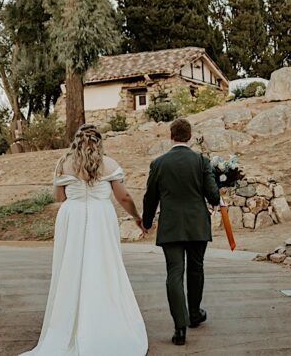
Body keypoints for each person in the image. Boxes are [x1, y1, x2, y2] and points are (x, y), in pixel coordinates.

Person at [21, 125, 148, 356]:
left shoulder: (63, 163)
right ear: (99, 142)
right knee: (104, 267)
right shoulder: (108, 164)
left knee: (72, 267)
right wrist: (136, 217)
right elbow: (124, 196)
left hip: (73, 216)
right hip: (101, 216)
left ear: (76, 141)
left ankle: (69, 323)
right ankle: (104, 322)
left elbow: (59, 197)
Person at [142, 118, 221, 346]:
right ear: (189, 136)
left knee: (174, 273)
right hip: (197, 224)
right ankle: (195, 314)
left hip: (171, 225)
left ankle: (180, 327)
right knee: (196, 269)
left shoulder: (158, 163)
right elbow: (213, 196)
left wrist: (146, 222)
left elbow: (151, 197)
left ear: (171, 136)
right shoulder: (201, 161)